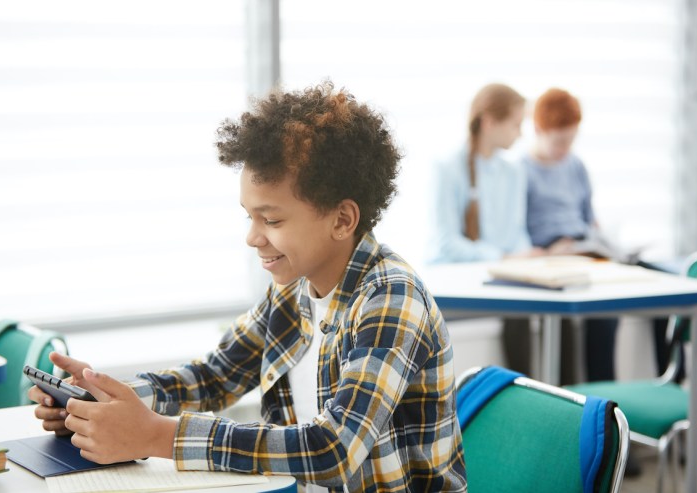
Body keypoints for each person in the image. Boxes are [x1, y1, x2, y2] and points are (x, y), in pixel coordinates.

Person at [28, 83, 467, 493]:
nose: (253, 237)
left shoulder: (390, 298)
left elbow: (333, 448)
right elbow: (214, 377)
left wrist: (157, 435)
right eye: (249, 217)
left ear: (342, 219)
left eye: (272, 220)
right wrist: (103, 399)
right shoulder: (292, 291)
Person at [426, 83, 543, 376]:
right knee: (519, 315)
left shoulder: (514, 171)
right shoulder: (447, 167)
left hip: (502, 276)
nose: (520, 133)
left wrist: (523, 259)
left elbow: (517, 233)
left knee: (559, 313)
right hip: (457, 280)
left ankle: (569, 407)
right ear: (490, 122)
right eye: (516, 124)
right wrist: (502, 260)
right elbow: (446, 243)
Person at [523, 87, 618, 382]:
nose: (566, 148)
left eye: (572, 140)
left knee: (653, 288)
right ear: (539, 129)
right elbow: (517, 229)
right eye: (560, 141)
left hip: (587, 247)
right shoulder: (521, 170)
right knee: (599, 317)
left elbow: (589, 218)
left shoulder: (576, 166)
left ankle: (669, 373)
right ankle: (597, 397)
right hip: (552, 254)